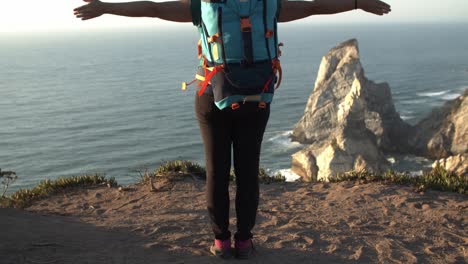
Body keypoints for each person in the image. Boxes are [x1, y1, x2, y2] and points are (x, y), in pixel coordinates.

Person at [74, 0, 391, 259]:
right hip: (257, 97)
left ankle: (221, 242)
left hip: (212, 95)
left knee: (217, 170)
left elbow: (152, 7)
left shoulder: (203, 5)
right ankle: (244, 242)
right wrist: (356, 3)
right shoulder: (268, 5)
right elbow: (314, 6)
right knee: (248, 169)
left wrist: (106, 7)